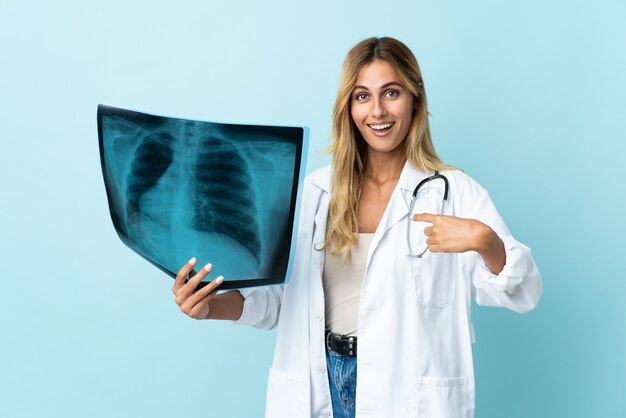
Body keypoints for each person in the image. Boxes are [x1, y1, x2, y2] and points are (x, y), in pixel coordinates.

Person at [171, 36, 542, 418]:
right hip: (321, 383)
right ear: (348, 107)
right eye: (362, 96)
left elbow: (525, 291)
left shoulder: (455, 192)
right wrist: (208, 306)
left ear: (415, 98)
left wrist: (487, 242)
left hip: (406, 393)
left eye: (392, 93)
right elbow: (281, 302)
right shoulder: (316, 193)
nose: (377, 111)